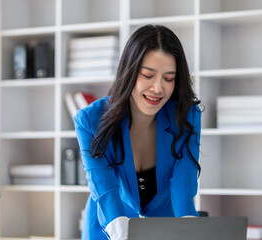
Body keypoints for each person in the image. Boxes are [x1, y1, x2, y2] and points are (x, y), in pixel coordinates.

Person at [74, 24, 202, 240]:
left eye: (169, 78)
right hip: (109, 225)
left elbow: (184, 179)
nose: (158, 88)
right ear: (129, 71)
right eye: (147, 75)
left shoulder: (186, 115)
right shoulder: (90, 120)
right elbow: (104, 187)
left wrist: (188, 229)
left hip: (165, 227)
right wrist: (119, 230)